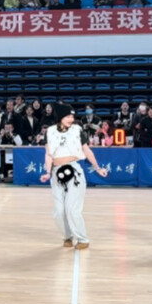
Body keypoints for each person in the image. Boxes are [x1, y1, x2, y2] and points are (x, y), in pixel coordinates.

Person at [39, 104, 108, 250]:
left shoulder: (77, 130)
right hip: (56, 173)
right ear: (60, 117)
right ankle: (67, 236)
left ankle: (83, 239)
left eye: (72, 116)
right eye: (68, 116)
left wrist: (98, 168)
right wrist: (47, 172)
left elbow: (86, 150)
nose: (71, 119)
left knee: (72, 208)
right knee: (59, 210)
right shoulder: (50, 131)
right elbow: (48, 154)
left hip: (74, 171)